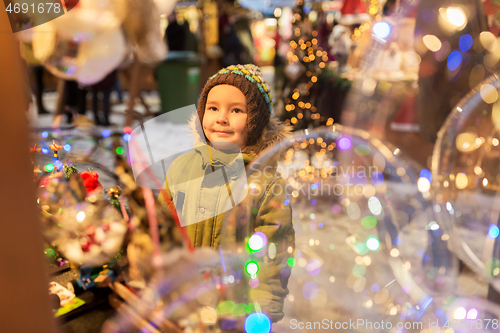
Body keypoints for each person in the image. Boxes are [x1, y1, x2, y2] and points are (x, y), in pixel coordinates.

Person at [159, 64, 295, 323]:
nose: (221, 118)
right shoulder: (180, 169)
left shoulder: (266, 183)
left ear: (255, 121)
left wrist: (264, 310)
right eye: (213, 108)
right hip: (184, 300)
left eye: (236, 110)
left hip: (237, 307)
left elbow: (275, 252)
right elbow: (161, 227)